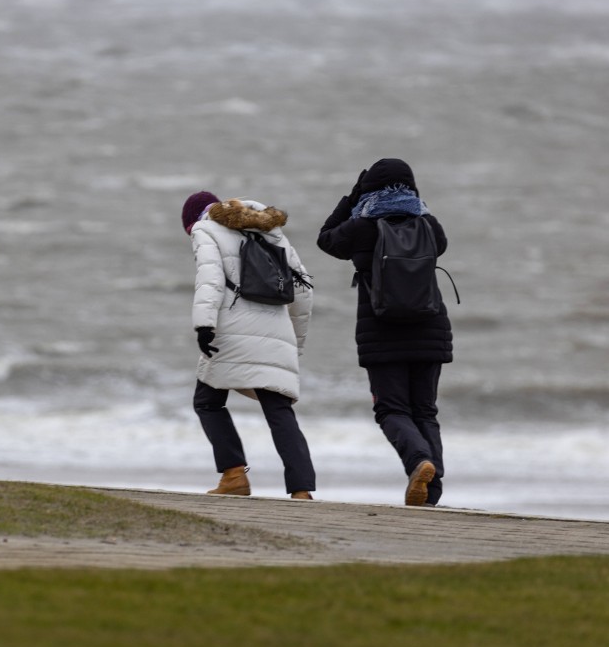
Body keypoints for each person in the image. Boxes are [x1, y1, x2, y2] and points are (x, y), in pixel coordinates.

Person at [315, 159, 453, 506]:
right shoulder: (429, 225)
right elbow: (440, 244)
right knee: (425, 411)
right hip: (430, 327)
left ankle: (419, 461)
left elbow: (325, 239)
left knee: (391, 411)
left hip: (383, 331)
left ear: (371, 188)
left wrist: (352, 197)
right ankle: (430, 493)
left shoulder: (362, 228)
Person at [183, 191, 316, 499]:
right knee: (278, 410)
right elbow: (304, 289)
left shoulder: (205, 230)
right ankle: (301, 490)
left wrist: (204, 325)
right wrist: (294, 341)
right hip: (278, 330)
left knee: (207, 401)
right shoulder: (271, 230)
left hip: (232, 331)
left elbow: (210, 279)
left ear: (194, 221)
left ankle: (233, 476)